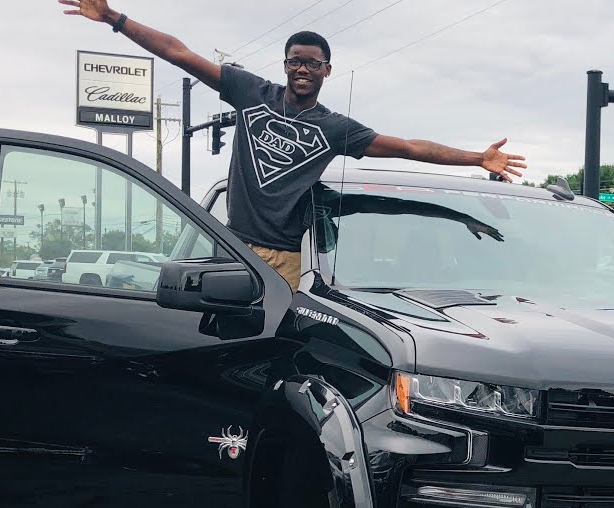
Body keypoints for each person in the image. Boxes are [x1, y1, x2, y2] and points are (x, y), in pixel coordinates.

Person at [60, 0, 528, 290]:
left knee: (274, 346)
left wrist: (476, 158)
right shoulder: (250, 93)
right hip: (233, 247)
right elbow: (179, 52)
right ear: (285, 66)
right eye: (295, 61)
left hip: (289, 259)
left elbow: (408, 147)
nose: (302, 68)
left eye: (313, 63)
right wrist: (116, 19)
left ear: (327, 70)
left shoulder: (336, 128)